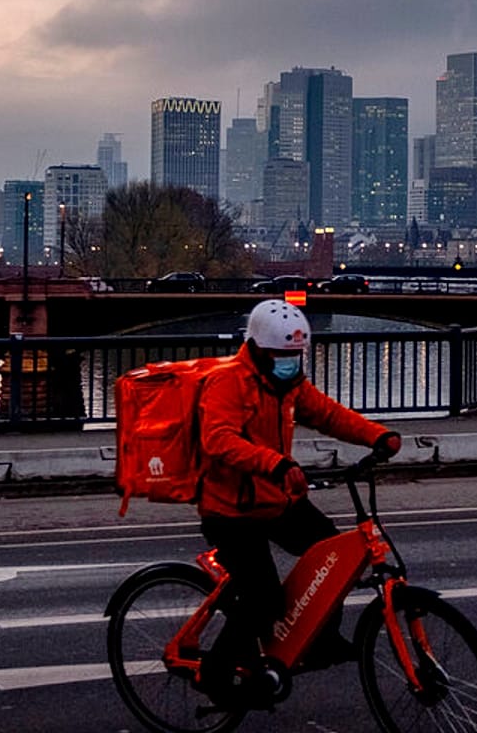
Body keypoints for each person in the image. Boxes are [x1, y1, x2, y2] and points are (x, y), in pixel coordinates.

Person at [195, 299, 401, 701]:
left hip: (277, 501)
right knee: (263, 599)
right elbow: (217, 439)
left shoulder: (288, 385)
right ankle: (215, 676)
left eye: (295, 356)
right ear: (257, 349)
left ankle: (319, 639)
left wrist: (376, 435)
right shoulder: (228, 381)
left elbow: (329, 415)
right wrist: (274, 464)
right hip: (231, 511)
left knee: (333, 555)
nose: (290, 362)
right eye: (281, 355)